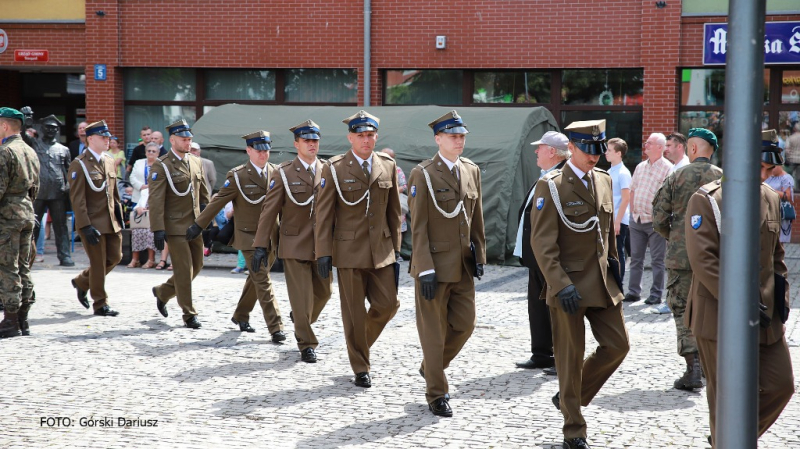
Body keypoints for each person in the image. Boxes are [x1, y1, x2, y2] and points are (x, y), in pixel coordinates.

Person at [685, 129, 794, 448]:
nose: (763, 175)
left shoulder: (770, 198)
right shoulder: (706, 199)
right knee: (727, 400)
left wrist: (781, 302)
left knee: (780, 386)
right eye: (758, 167)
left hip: (764, 316)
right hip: (719, 316)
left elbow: (776, 256)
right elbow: (703, 260)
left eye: (767, 169)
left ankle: (730, 438)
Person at [530, 119, 629, 449]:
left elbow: (606, 233)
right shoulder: (552, 185)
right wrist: (560, 284)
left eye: (598, 150)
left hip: (600, 282)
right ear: (571, 148)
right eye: (588, 150)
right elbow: (543, 243)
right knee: (570, 360)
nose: (594, 156)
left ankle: (571, 396)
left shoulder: (603, 180)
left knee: (618, 346)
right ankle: (574, 429)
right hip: (568, 286)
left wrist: (616, 264)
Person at [314, 110, 402, 388]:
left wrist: (396, 251)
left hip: (382, 250)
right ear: (350, 137)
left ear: (376, 136)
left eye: (370, 135)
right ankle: (361, 366)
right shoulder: (335, 167)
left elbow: (394, 212)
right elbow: (324, 213)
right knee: (353, 312)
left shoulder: (387, 164)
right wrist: (323, 253)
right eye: (360, 135)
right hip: (349, 250)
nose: (366, 140)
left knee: (388, 305)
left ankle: (357, 345)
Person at [407, 110, 486, 417]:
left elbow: (476, 218)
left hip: (463, 264)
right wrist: (424, 267)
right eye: (452, 136)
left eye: (462, 135)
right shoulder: (423, 174)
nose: (458, 140)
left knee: (465, 325)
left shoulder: (471, 170)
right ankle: (437, 393)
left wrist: (479, 254)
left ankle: (431, 367)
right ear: (438, 139)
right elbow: (418, 227)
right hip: (434, 268)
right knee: (433, 333)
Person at [188, 130, 286, 341]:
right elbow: (218, 200)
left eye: (266, 150)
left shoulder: (277, 172)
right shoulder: (239, 175)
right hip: (249, 237)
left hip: (272, 236)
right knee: (263, 280)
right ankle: (276, 327)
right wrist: (199, 225)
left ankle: (241, 315)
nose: (263, 154)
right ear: (248, 150)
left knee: (256, 278)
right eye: (258, 150)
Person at [253, 119, 332, 363]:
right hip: (294, 244)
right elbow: (269, 210)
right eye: (307, 140)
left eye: (315, 140)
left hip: (322, 246)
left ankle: (300, 319)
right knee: (301, 298)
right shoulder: (284, 172)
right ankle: (306, 343)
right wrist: (260, 245)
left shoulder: (328, 169)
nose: (312, 144)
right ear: (296, 143)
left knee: (325, 293)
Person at [652, 128, 722, 390]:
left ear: (691, 149)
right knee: (712, 309)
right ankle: (707, 365)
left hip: (681, 259)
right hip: (716, 257)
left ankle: (692, 368)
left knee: (682, 309)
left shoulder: (677, 176)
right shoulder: (725, 178)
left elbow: (658, 217)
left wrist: (677, 237)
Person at [513, 130, 569, 373]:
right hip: (537, 256)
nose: (536, 151)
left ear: (553, 152)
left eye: (540, 147)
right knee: (537, 307)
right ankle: (542, 353)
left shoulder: (562, 177)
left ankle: (562, 356)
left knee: (556, 309)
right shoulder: (546, 175)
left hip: (551, 257)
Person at [149, 119, 210, 329]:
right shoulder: (162, 165)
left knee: (197, 266)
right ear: (172, 140)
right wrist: (157, 228)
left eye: (189, 139)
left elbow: (203, 194)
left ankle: (163, 292)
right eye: (184, 139)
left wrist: (208, 222)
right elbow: (156, 200)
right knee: (184, 270)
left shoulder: (195, 161)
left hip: (194, 224)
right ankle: (189, 313)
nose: (188, 142)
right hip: (175, 226)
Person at [67, 120, 123, 317]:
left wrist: (119, 216)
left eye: (108, 137)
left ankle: (82, 282)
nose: (108, 140)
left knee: (116, 257)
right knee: (98, 264)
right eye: (103, 137)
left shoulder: (108, 160)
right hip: (92, 222)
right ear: (90, 139)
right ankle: (100, 304)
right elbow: (78, 200)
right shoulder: (79, 164)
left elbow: (113, 191)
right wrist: (85, 226)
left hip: (110, 220)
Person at [0, 107, 40, 338]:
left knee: (7, 267)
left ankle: (11, 320)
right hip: (26, 212)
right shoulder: (29, 150)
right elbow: (36, 187)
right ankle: (23, 319)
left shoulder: (5, 152)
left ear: (5, 126)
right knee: (23, 266)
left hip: (7, 217)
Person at [624, 133, 673, 304]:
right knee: (636, 258)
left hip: (655, 223)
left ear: (660, 147)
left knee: (657, 260)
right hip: (637, 220)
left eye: (650, 143)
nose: (646, 145)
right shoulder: (640, 166)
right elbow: (633, 189)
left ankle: (655, 294)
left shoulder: (668, 168)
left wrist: (661, 218)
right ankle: (633, 292)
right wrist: (632, 212)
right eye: (646, 142)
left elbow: (669, 196)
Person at [31, 114, 74, 267]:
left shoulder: (63, 149)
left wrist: (68, 186)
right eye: (48, 127)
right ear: (42, 128)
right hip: (39, 191)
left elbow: (68, 170)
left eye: (54, 128)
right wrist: (26, 119)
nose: (51, 130)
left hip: (58, 192)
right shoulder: (35, 145)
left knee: (60, 226)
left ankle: (65, 256)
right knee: (34, 224)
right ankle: (29, 255)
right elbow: (22, 135)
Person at [128, 142, 161, 269]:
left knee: (150, 232)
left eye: (154, 151)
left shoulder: (161, 165)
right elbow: (133, 177)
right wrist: (143, 187)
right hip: (142, 193)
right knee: (136, 230)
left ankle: (151, 260)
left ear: (158, 153)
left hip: (156, 200)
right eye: (149, 151)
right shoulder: (139, 163)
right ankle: (135, 259)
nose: (151, 153)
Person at [605, 138, 631, 285]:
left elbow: (626, 199)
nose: (606, 153)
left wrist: (617, 222)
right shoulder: (610, 171)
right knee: (610, 253)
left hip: (618, 220)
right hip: (611, 219)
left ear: (618, 153)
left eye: (609, 150)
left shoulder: (623, 173)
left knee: (618, 252)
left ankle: (618, 284)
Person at [764, 163, 794, 243]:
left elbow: (788, 196)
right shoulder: (768, 176)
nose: (771, 170)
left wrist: (770, 191)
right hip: (767, 210)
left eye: (773, 167)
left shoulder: (786, 178)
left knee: (778, 240)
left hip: (780, 211)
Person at [380, 148, 408, 234]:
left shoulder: (397, 170)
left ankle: (397, 247)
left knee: (397, 229)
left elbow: (404, 186)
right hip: (379, 204)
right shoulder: (374, 169)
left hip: (395, 203)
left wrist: (392, 191)